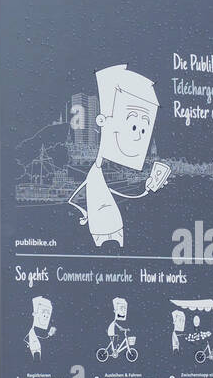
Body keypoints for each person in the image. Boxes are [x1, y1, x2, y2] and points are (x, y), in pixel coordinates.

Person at [68, 64, 169, 247]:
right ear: (102, 121)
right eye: (133, 126)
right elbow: (120, 190)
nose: (138, 135)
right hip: (107, 228)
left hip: (107, 226)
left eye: (144, 129)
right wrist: (146, 187)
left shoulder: (103, 167)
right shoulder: (105, 165)